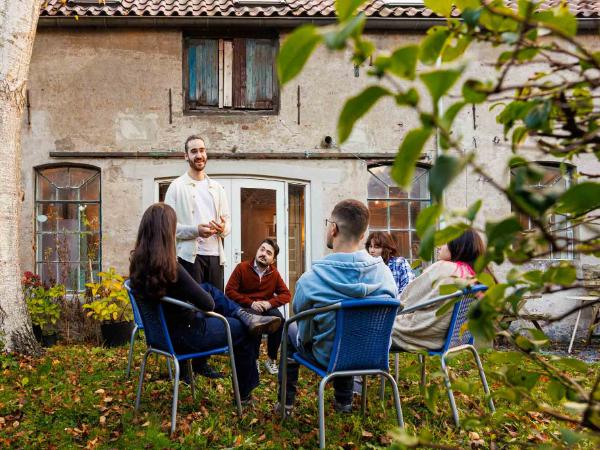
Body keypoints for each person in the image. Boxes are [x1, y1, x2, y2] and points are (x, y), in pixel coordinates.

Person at [129, 203, 282, 402]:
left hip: (161, 335)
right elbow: (208, 304)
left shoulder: (138, 264)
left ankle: (244, 315)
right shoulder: (171, 268)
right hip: (186, 335)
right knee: (243, 329)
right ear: (167, 233)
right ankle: (245, 393)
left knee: (208, 287)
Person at [276, 199, 397, 416]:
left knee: (288, 329)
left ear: (333, 229)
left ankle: (285, 406)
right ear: (362, 236)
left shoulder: (310, 280)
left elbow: (304, 330)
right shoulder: (385, 274)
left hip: (329, 356)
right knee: (350, 334)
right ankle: (344, 403)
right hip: (374, 354)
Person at [164, 134, 230, 378]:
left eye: (202, 150)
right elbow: (169, 227)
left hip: (215, 255)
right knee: (189, 309)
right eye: (194, 151)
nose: (199, 155)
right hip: (189, 258)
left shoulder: (217, 188)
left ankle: (204, 362)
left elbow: (228, 221)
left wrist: (223, 228)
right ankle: (187, 363)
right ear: (186, 156)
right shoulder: (176, 187)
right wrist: (195, 230)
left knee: (212, 309)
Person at [391, 229, 487, 352]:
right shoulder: (473, 276)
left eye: (444, 242)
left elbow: (406, 300)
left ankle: (369, 370)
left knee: (367, 326)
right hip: (446, 338)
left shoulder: (443, 268)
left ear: (457, 246)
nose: (438, 246)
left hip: (417, 333)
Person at [225, 239, 291, 375]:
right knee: (255, 321)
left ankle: (271, 358)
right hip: (246, 306)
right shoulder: (242, 268)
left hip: (265, 306)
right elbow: (229, 291)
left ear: (272, 260)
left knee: (279, 319)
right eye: (262, 249)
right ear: (257, 251)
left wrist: (269, 303)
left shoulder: (274, 273)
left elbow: (286, 294)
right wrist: (250, 303)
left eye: (268, 253)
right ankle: (253, 359)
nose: (263, 254)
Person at [365, 231, 415, 296]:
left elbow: (408, 287)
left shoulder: (399, 263)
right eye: (370, 246)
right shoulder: (366, 267)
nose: (372, 250)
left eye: (376, 247)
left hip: (396, 304)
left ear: (387, 248)